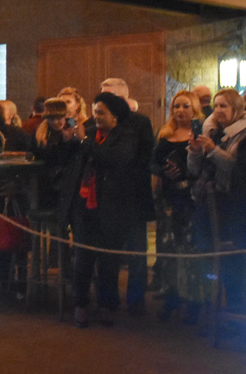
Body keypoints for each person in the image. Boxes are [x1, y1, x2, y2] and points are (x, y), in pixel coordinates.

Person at [69, 92, 137, 328]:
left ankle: (108, 305)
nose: (96, 117)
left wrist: (84, 143)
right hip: (85, 206)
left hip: (112, 206)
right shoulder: (87, 133)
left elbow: (114, 160)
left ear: (115, 117)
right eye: (95, 111)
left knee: (109, 259)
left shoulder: (126, 137)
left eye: (101, 113)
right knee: (83, 259)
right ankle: (80, 305)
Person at [187, 88, 246, 317]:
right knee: (207, 254)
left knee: (231, 259)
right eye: (215, 106)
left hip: (231, 205)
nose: (217, 111)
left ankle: (232, 308)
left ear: (236, 109)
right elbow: (195, 170)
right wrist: (195, 152)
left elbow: (236, 170)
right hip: (208, 201)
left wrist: (213, 151)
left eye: (223, 106)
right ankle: (210, 307)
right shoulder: (212, 132)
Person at [100, 78, 154, 317]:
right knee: (108, 253)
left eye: (108, 97)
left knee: (136, 252)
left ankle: (135, 300)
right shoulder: (97, 123)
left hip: (133, 196)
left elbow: (143, 158)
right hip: (106, 198)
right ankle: (108, 299)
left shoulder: (140, 123)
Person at [151, 91, 203, 321]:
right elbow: (153, 166)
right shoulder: (165, 136)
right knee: (169, 248)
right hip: (169, 198)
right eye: (176, 106)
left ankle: (193, 301)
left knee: (189, 250)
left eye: (185, 106)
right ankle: (172, 297)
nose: (180, 110)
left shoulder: (200, 134)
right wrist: (163, 173)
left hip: (191, 198)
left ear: (194, 109)